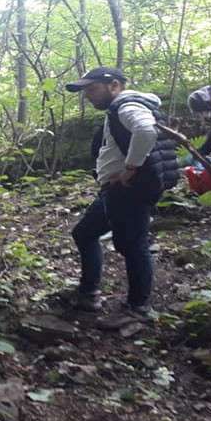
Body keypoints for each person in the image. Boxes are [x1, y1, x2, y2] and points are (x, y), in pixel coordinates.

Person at [65, 67, 179, 329]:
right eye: (85, 92)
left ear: (114, 85)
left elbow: (146, 131)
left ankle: (138, 308)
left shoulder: (126, 106)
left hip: (129, 190)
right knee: (84, 233)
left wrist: (130, 168)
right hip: (115, 190)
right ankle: (89, 293)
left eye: (92, 89)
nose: (88, 96)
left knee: (132, 244)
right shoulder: (121, 107)